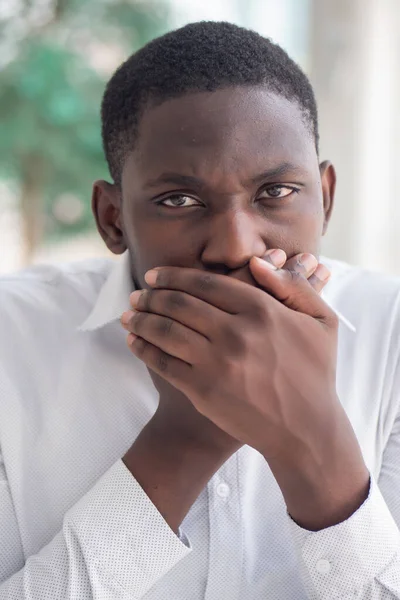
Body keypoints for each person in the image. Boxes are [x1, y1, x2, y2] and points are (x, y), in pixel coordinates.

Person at [1, 20, 400, 600]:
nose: (236, 247)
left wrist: (312, 437)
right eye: (180, 200)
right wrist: (185, 441)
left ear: (326, 198)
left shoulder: (391, 333)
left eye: (277, 192)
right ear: (113, 219)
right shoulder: (11, 340)